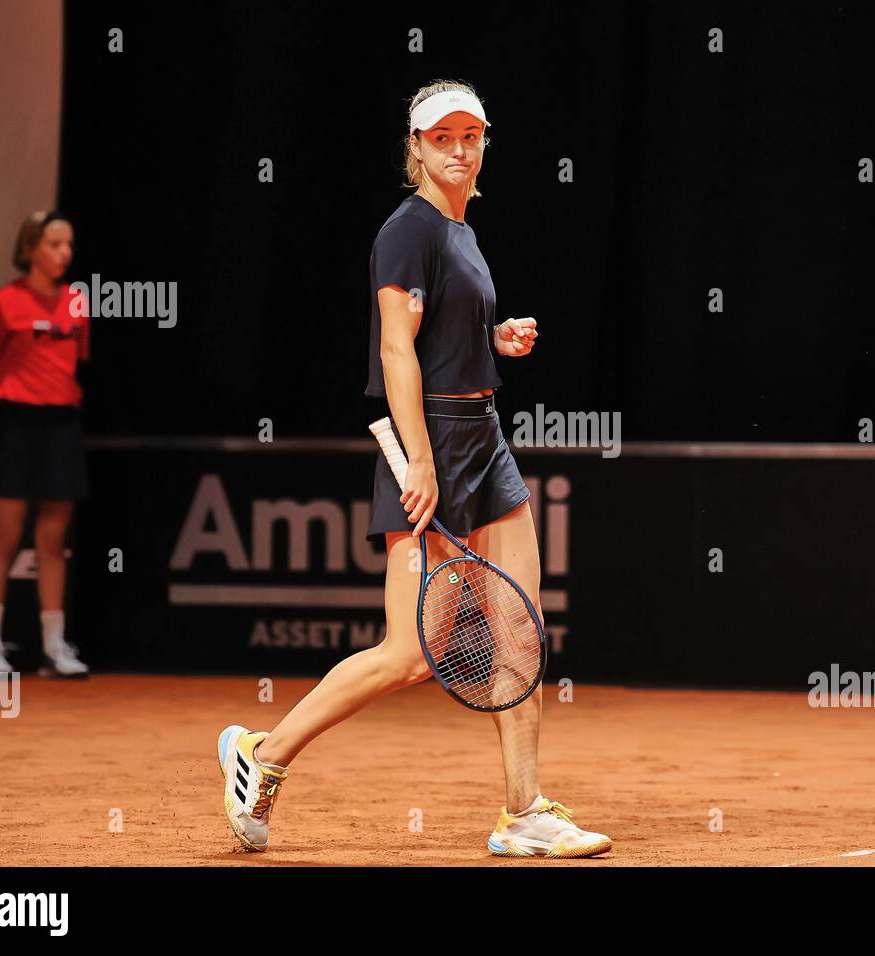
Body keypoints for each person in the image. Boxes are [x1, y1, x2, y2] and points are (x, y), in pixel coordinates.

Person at [216, 80, 612, 859]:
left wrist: (493, 340)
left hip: (485, 438)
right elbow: (396, 348)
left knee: (520, 633)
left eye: (471, 136)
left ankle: (523, 813)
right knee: (408, 655)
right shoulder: (408, 230)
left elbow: (437, 336)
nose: (458, 150)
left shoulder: (461, 231)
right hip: (432, 443)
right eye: (442, 138)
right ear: (416, 148)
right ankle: (262, 756)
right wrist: (422, 460)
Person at [0, 211, 90, 678]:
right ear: (30, 249)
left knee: (53, 540)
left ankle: (54, 647)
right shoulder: (5, 302)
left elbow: (76, 364)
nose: (64, 253)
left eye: (69, 245)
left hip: (62, 425)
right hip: (16, 424)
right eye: (54, 244)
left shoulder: (78, 302)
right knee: (4, 537)